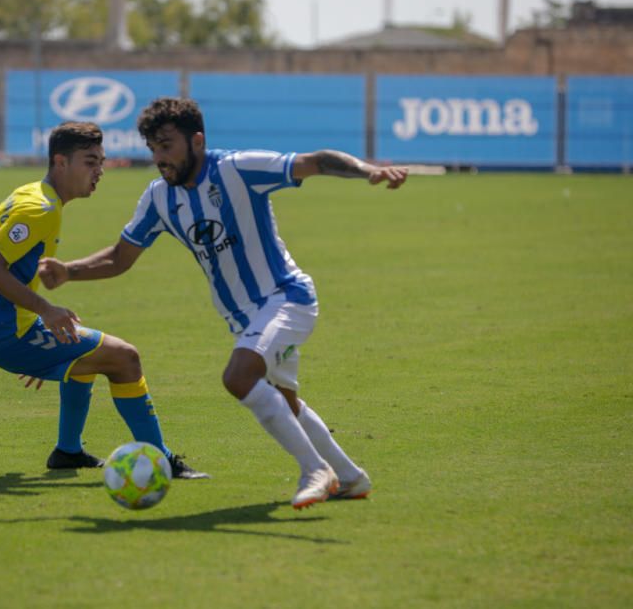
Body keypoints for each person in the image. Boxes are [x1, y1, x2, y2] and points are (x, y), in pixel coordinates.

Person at [41, 97, 407, 509]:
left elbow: (316, 161)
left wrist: (368, 171)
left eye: (167, 146)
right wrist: (68, 271)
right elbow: (120, 257)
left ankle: (315, 470)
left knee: (238, 376)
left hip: (286, 298)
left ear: (197, 141)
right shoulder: (160, 197)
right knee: (285, 402)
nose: (159, 158)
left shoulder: (237, 168)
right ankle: (351, 478)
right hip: (243, 318)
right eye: (153, 148)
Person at [0, 121, 208, 479]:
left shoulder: (32, 194)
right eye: (90, 162)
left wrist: (40, 331)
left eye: (101, 162)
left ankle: (68, 451)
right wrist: (44, 312)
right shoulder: (40, 209)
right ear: (60, 162)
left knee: (85, 354)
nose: (100, 171)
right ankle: (162, 459)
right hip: (3, 332)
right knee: (125, 357)